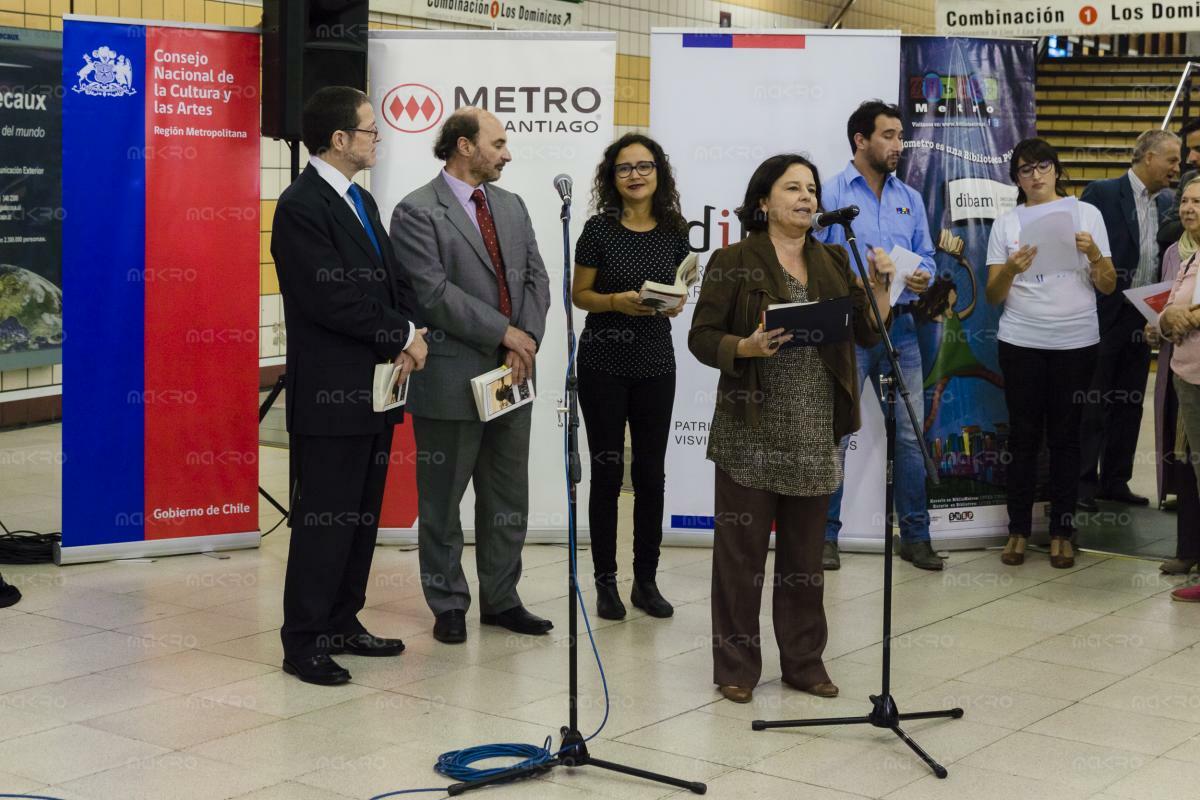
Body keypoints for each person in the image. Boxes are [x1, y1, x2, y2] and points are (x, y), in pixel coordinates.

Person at [689, 154, 894, 703]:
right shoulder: (732, 260)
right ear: (764, 201)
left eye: (811, 189)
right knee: (741, 558)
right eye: (792, 188)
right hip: (750, 429)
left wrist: (879, 288)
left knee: (805, 562)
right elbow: (702, 335)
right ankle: (735, 666)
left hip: (815, 429)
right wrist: (745, 347)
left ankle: (804, 662)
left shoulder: (831, 257)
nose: (806, 197)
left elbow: (871, 334)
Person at [271, 86, 426, 686]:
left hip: (376, 389)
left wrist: (414, 329)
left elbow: (394, 280)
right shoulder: (301, 204)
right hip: (332, 393)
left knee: (360, 516)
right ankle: (304, 641)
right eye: (369, 131)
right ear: (340, 140)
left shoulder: (359, 199)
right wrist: (398, 336)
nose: (377, 140)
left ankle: (342, 620)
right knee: (325, 521)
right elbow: (329, 297)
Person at [389, 107, 552, 644]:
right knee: (442, 501)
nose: (507, 153)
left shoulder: (511, 204)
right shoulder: (416, 210)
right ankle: (448, 604)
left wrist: (524, 340)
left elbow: (536, 277)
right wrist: (504, 334)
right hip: (451, 379)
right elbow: (433, 294)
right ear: (464, 146)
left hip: (513, 373)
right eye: (498, 143)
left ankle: (502, 599)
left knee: (507, 498)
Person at [570, 133, 690, 621]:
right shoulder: (598, 229)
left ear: (659, 173)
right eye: (624, 168)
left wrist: (674, 303)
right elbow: (580, 294)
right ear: (611, 178)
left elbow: (681, 290)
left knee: (651, 474)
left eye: (644, 166)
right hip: (602, 360)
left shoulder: (675, 229)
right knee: (606, 472)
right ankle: (605, 583)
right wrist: (617, 302)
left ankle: (646, 581)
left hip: (656, 360)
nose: (635, 175)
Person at [984, 138, 1115, 569]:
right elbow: (993, 295)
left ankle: (1062, 530)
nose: (1035, 175)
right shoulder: (1006, 223)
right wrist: (1011, 269)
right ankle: (1018, 530)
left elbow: (1109, 285)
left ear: (1057, 169)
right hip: (1021, 340)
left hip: (1076, 341)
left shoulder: (1087, 214)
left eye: (1042, 166)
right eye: (1025, 170)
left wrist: (1094, 253)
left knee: (1066, 437)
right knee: (1023, 437)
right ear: (1016, 179)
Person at [819, 100, 939, 571]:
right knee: (837, 433)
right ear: (861, 140)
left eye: (900, 136)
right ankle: (825, 538)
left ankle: (915, 535)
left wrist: (923, 276)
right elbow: (814, 263)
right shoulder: (827, 193)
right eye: (888, 135)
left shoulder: (909, 195)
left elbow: (926, 256)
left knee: (909, 434)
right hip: (847, 327)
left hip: (903, 327)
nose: (897, 145)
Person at [1078, 129, 1179, 510]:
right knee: (1093, 399)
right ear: (1148, 157)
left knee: (1130, 400)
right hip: (1104, 314)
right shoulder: (1102, 193)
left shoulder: (1168, 201)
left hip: (1144, 317)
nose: (1176, 167)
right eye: (1171, 159)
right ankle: (1083, 484)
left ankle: (1115, 480)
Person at [1159, 179, 1200, 602]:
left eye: (1198, 202)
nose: (1188, 208)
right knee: (1190, 467)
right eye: (1185, 200)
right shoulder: (1183, 254)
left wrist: (1187, 314)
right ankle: (1190, 551)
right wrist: (1169, 319)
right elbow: (1168, 306)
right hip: (1185, 373)